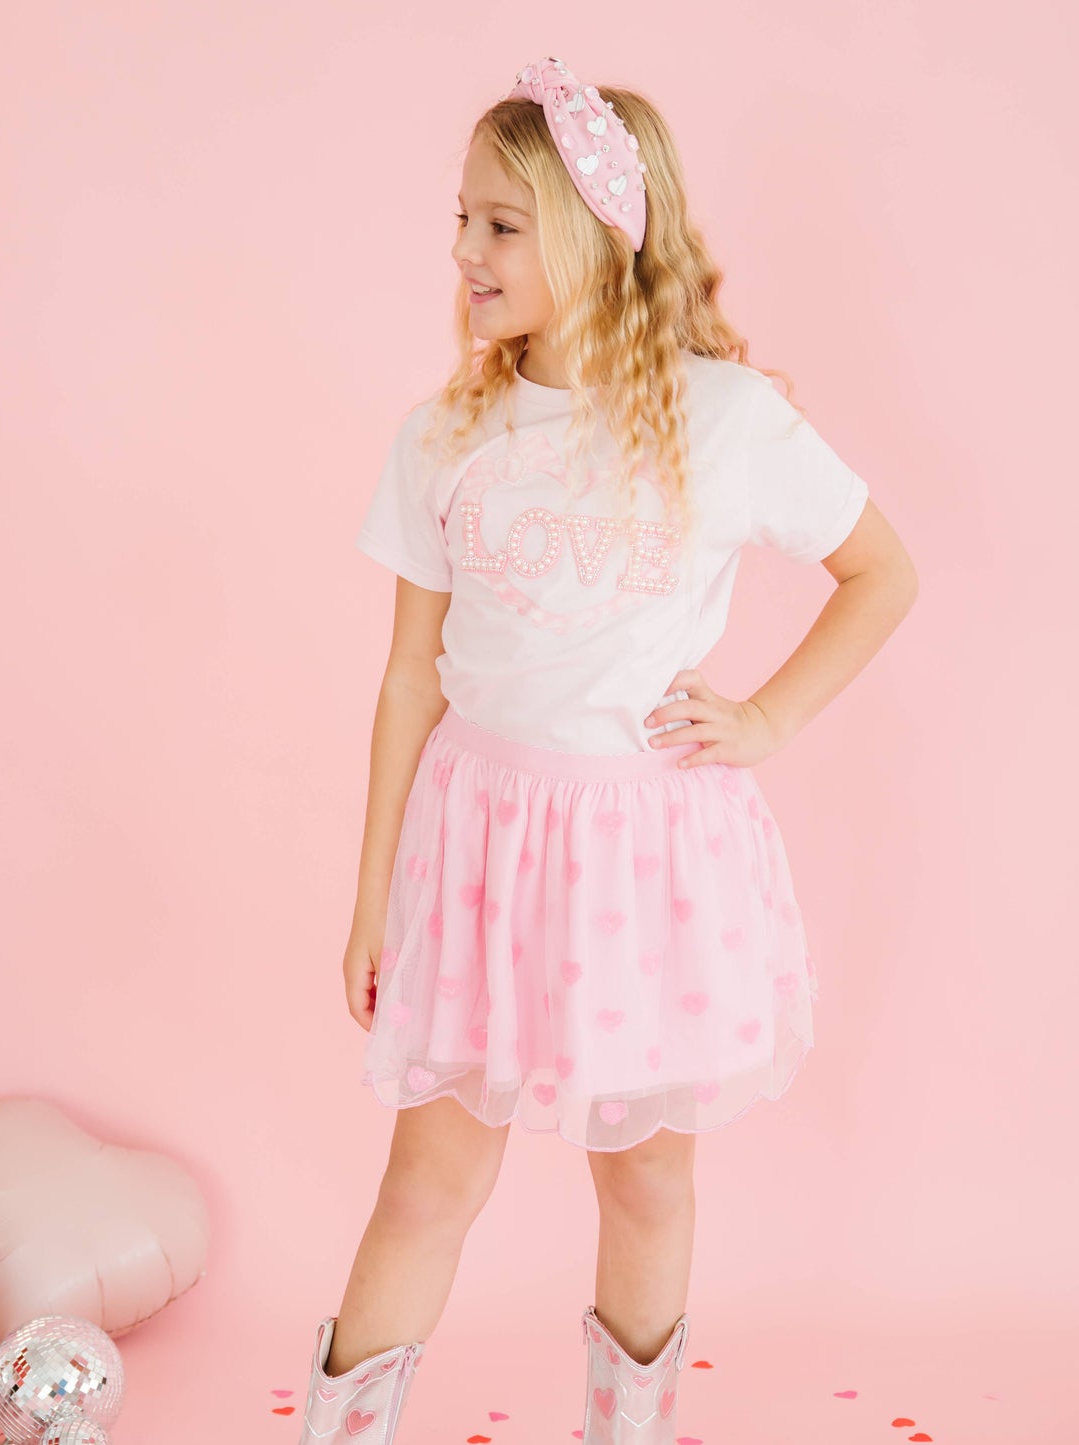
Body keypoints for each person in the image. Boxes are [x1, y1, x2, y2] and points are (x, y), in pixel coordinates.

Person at [296, 56, 918, 1445]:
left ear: (593, 231)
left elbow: (881, 570)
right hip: (478, 847)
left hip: (644, 859)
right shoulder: (446, 431)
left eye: (500, 224)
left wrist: (763, 716)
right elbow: (407, 675)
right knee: (427, 1182)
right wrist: (369, 891)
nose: (464, 251)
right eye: (460, 219)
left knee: (643, 1181)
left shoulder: (723, 419)